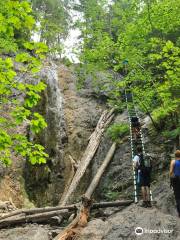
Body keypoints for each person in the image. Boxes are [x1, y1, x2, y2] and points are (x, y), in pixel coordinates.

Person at [170, 150, 180, 218]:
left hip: (176, 180)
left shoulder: (173, 161)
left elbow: (171, 172)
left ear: (175, 155)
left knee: (177, 196)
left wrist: (171, 181)